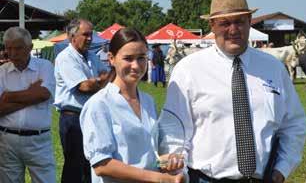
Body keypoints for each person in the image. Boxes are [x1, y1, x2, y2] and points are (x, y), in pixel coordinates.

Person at [164, 0, 306, 183]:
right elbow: (173, 130)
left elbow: (293, 124)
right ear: (212, 26)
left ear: (250, 22)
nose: (233, 30)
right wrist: (178, 173)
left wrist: (282, 169)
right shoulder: (188, 70)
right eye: (225, 23)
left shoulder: (273, 68)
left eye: (239, 21)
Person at [80, 28, 184, 183]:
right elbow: (102, 164)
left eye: (141, 58)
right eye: (128, 58)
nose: (136, 66)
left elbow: (145, 158)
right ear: (111, 59)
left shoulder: (148, 101)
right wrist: (159, 179)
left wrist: (166, 161)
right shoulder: (99, 105)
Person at [54, 19, 109, 183]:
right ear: (72, 37)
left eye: (91, 34)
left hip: (92, 116)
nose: (90, 38)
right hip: (73, 118)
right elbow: (83, 86)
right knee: (75, 166)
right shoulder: (65, 57)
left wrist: (97, 81)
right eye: (85, 34)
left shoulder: (92, 56)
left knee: (91, 163)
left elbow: (110, 78)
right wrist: (100, 81)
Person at [0, 27, 56, 183]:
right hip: (7, 141)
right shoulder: (2, 72)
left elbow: (43, 94)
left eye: (18, 48)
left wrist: (7, 97)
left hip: (38, 141)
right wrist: (31, 94)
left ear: (30, 48)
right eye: (8, 48)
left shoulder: (45, 66)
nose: (12, 53)